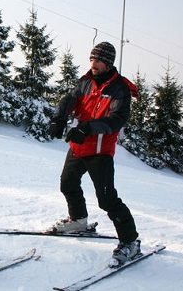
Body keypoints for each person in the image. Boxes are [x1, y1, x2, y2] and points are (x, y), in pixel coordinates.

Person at [48, 42, 140, 266]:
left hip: (100, 150)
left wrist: (87, 128)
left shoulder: (120, 89)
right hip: (79, 146)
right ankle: (78, 220)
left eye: (98, 60)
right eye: (91, 59)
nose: (93, 64)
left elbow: (117, 119)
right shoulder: (86, 81)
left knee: (107, 199)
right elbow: (70, 99)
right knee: (67, 184)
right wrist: (59, 118)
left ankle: (131, 242)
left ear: (108, 63)